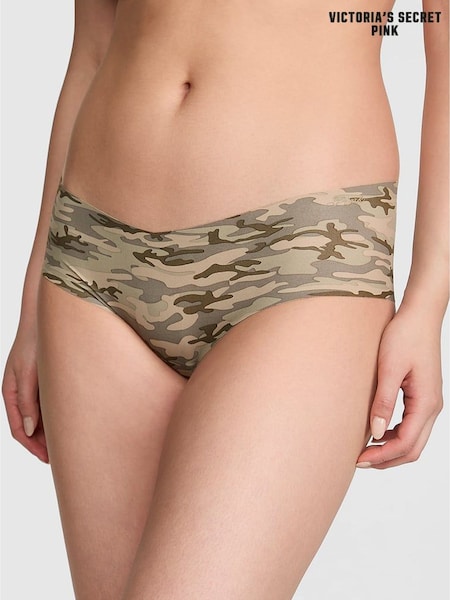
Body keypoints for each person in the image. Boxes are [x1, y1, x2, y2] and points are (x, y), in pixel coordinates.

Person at [2, 0, 448, 598]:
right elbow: (92, 46)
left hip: (301, 254)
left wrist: (429, 299)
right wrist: (33, 301)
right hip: (91, 261)